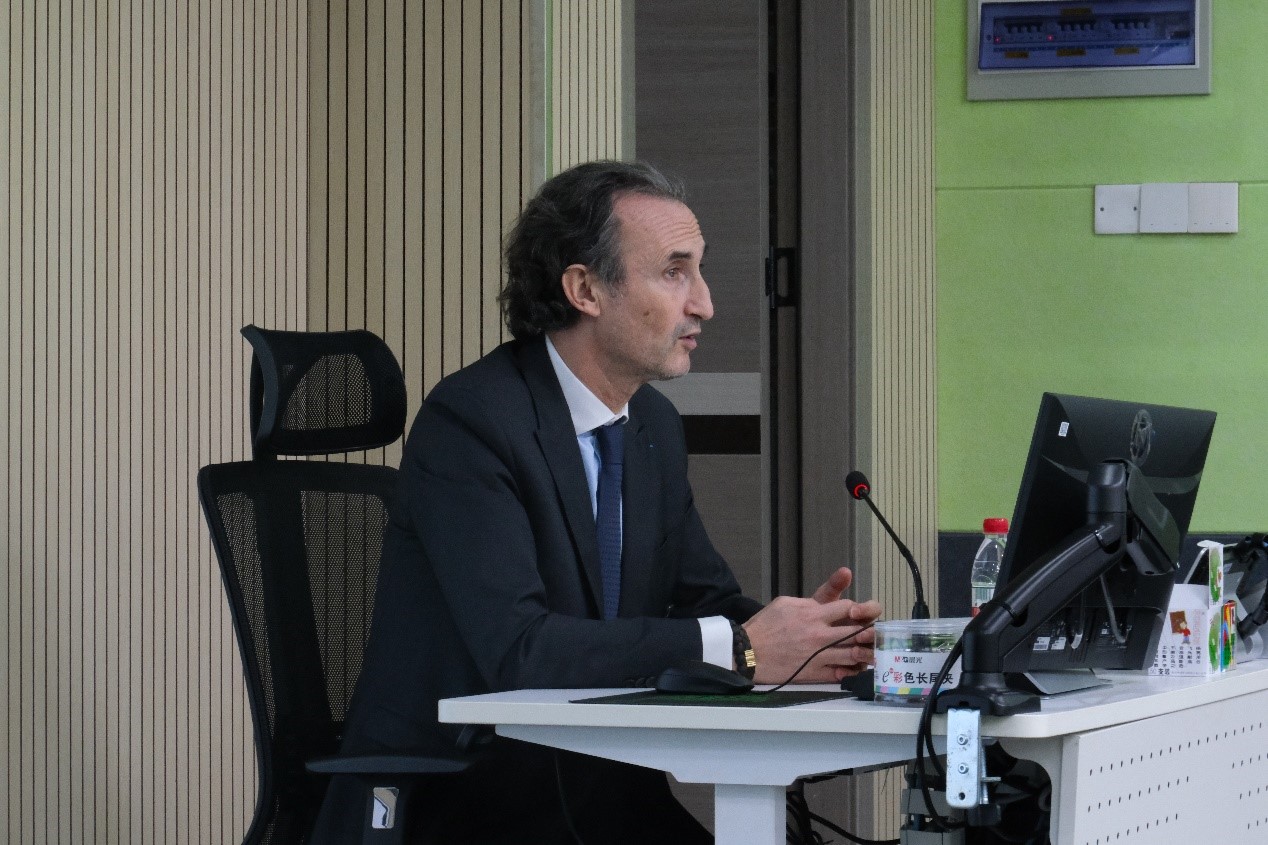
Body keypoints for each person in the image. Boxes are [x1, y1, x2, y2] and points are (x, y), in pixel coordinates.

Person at [311, 160, 882, 844]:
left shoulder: (653, 426)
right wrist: (744, 649)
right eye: (674, 272)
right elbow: (520, 650)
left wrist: (815, 641)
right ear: (585, 289)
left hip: (604, 790)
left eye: (698, 271)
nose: (704, 303)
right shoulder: (472, 422)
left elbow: (703, 600)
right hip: (465, 802)